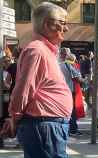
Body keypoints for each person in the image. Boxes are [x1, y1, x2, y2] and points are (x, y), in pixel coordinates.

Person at [0, 2, 72, 158]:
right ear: (47, 24)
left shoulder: (44, 50)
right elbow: (24, 89)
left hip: (47, 125)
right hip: (44, 126)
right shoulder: (37, 50)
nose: (66, 28)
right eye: (63, 23)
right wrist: (14, 117)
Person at [59, 47, 84, 136]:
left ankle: (64, 129)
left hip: (60, 91)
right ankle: (72, 129)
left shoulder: (57, 64)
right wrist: (85, 81)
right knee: (71, 111)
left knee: (62, 111)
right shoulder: (68, 65)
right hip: (69, 90)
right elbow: (77, 78)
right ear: (66, 55)